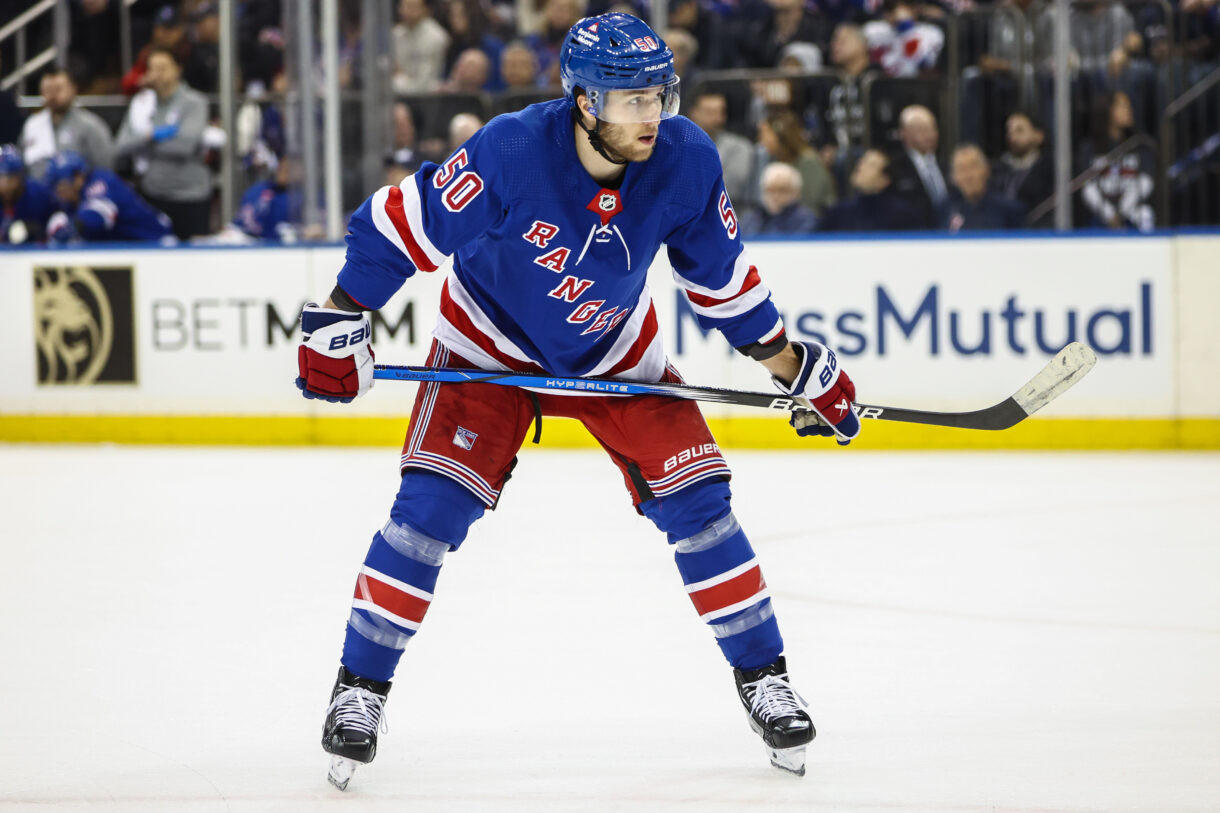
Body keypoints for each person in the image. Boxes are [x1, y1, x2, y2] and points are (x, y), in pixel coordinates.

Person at [298, 12, 861, 791]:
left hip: (616, 352)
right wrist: (338, 312)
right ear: (584, 101)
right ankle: (358, 690)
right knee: (426, 513)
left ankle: (764, 676)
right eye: (628, 100)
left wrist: (793, 364)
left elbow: (721, 282)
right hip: (486, 348)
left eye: (657, 95)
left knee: (702, 506)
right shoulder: (511, 149)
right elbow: (399, 227)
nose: (650, 115)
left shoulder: (687, 160)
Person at [115, 46, 212, 240]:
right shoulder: (141, 104)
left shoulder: (194, 102)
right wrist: (151, 136)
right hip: (152, 195)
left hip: (190, 196)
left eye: (163, 68)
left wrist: (145, 140)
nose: (157, 74)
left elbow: (185, 146)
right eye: (153, 69)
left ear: (178, 69)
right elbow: (120, 146)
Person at [43, 151, 173, 242]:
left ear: (78, 177)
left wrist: (73, 227)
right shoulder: (70, 201)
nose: (59, 191)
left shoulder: (101, 182)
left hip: (155, 243)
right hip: (125, 249)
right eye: (54, 186)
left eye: (62, 184)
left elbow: (98, 215)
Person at [19, 69, 116, 179]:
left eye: (58, 89)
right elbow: (20, 166)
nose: (52, 95)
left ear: (73, 89)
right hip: (39, 191)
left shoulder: (90, 125)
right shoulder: (32, 125)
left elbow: (105, 169)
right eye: (47, 90)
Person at [818, 148, 922, 231]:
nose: (860, 165)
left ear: (884, 180)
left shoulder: (903, 215)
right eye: (862, 160)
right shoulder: (838, 212)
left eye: (870, 164)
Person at [757, 110, 837, 216]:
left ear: (780, 135)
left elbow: (811, 204)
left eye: (764, 133)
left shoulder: (808, 161)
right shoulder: (774, 160)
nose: (760, 139)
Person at [687, 90, 755, 209]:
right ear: (694, 113)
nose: (717, 118)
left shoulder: (740, 147)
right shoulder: (681, 145)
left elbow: (732, 188)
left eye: (720, 112)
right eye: (710, 112)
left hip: (730, 213)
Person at [887, 104, 949, 229]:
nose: (929, 134)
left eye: (933, 128)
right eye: (921, 129)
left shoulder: (947, 166)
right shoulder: (894, 168)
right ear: (904, 134)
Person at [991, 111, 1054, 227]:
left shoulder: (1050, 171)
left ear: (1038, 136)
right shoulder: (999, 169)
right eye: (1009, 131)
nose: (1012, 137)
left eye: (1019, 131)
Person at [943, 144, 1026, 231]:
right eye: (961, 169)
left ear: (986, 170)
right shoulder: (945, 210)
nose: (968, 176)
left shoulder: (1010, 210)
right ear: (953, 177)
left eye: (973, 167)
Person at [740, 162, 819, 236]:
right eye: (770, 190)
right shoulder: (751, 219)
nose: (775, 196)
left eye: (782, 190)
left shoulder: (805, 219)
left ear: (796, 193)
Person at [0, 145, 58, 245]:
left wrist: (36, 229)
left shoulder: (40, 194)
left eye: (9, 179)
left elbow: (61, 221)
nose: (3, 186)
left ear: (20, 176)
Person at [391, 0, 451, 93]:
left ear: (426, 10)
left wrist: (397, 80)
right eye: (403, 6)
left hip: (427, 99)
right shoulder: (396, 34)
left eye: (411, 7)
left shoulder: (436, 37)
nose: (405, 11)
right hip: (397, 95)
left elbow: (424, 84)